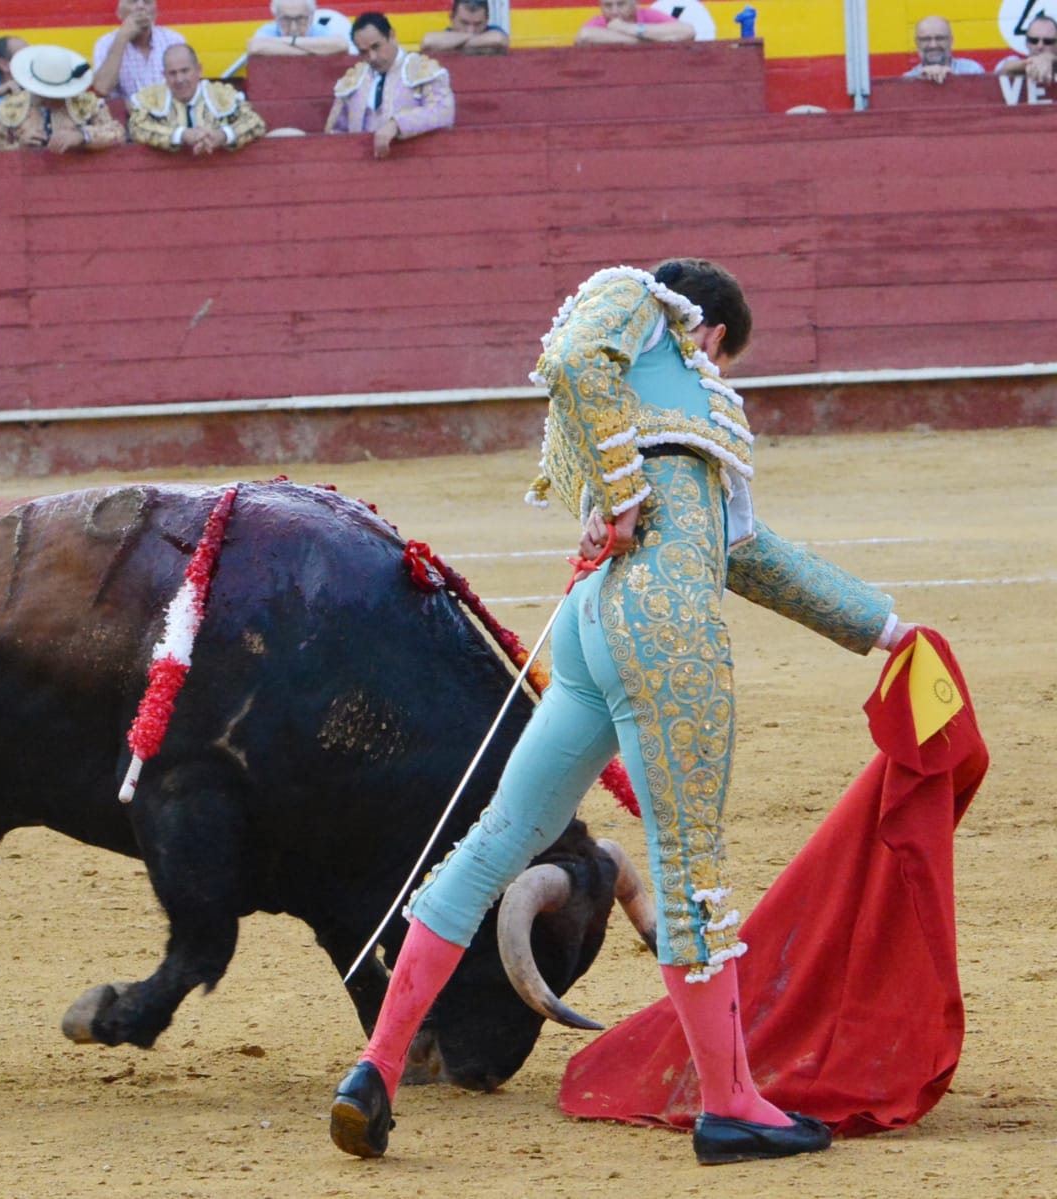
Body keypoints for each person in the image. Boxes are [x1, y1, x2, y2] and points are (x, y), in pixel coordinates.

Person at [328, 258, 915, 1166]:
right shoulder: (643, 305)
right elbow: (571, 358)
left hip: (595, 621)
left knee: (495, 840)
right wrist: (624, 494)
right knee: (688, 869)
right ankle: (732, 1105)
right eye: (723, 356)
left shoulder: (671, 402)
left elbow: (750, 555)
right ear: (712, 333)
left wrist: (883, 627)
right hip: (664, 629)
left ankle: (379, 1064)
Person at [326, 13, 454, 159]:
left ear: (392, 35)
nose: (372, 57)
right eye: (363, 51)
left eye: (376, 46)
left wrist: (397, 124)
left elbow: (443, 111)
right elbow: (335, 133)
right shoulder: (354, 80)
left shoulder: (421, 69)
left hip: (414, 164)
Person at [0, 44, 125, 153]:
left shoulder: (85, 102)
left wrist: (82, 136)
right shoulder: (11, 106)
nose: (49, 99)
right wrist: (19, 147)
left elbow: (118, 133)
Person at [129, 44, 267, 153]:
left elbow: (255, 123)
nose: (179, 79)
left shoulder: (222, 95)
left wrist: (223, 135)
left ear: (199, 70)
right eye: (172, 73)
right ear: (164, 75)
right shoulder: (152, 98)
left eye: (185, 71)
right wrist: (181, 135)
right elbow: (136, 127)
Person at [92, 0, 185, 101]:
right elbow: (101, 89)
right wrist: (122, 38)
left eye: (147, 2)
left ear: (155, 12)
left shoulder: (173, 40)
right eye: (133, 1)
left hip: (168, 108)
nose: (141, 6)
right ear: (119, 13)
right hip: (127, 110)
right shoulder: (105, 43)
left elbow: (187, 87)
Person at [246, 0, 353, 58]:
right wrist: (315, 51)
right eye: (286, 19)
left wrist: (289, 42)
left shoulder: (319, 30)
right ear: (276, 18)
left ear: (311, 17)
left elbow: (342, 45)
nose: (293, 27)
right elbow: (254, 47)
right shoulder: (269, 30)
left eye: (300, 19)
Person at [575, 0, 696, 46]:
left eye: (621, 4)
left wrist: (629, 28)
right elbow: (584, 35)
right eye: (608, 5)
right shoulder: (598, 21)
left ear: (635, 3)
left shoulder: (649, 15)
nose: (614, 11)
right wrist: (651, 41)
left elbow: (688, 31)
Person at [903, 16, 985, 82]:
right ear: (917, 43)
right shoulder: (908, 80)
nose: (933, 45)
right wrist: (918, 83)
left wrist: (954, 80)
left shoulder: (972, 70)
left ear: (951, 41)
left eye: (940, 38)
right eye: (926, 39)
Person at [420, 0, 510, 56]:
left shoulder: (492, 31)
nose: (471, 30)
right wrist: (478, 41)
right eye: (464, 23)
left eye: (478, 24)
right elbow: (427, 41)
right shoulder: (446, 35)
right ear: (451, 18)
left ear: (487, 20)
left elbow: (500, 39)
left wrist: (455, 44)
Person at [995, 15, 1057, 84]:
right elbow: (1003, 69)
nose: (1040, 46)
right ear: (1026, 42)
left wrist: (1051, 59)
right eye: (1034, 40)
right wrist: (1032, 63)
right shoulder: (1014, 60)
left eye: (1048, 41)